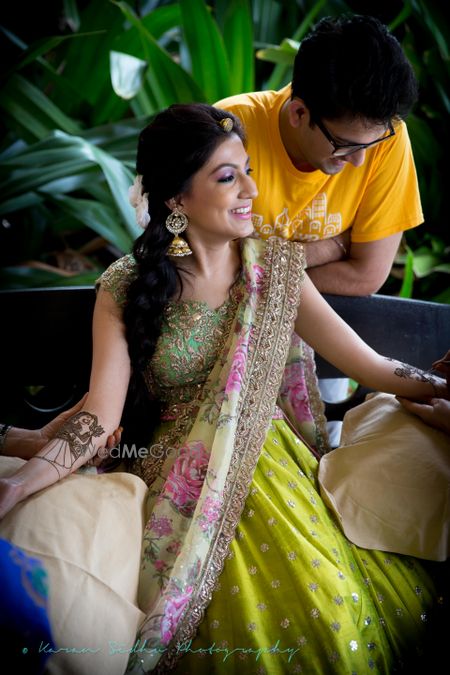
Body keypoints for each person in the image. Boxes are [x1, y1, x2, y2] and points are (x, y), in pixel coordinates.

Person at [0, 104, 447, 675]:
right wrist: (19, 487)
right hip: (179, 482)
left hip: (276, 463)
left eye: (248, 170)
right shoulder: (126, 286)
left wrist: (438, 386)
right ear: (176, 200)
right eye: (227, 176)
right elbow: (98, 417)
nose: (250, 191)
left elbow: (375, 367)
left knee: (330, 607)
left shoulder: (276, 269)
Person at [216, 14, 423, 432]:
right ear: (298, 112)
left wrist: (256, 258)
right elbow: (212, 273)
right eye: (344, 145)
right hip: (218, 355)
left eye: (372, 143)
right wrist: (333, 246)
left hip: (322, 356)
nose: (360, 162)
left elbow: (367, 275)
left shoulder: (385, 139)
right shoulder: (227, 133)